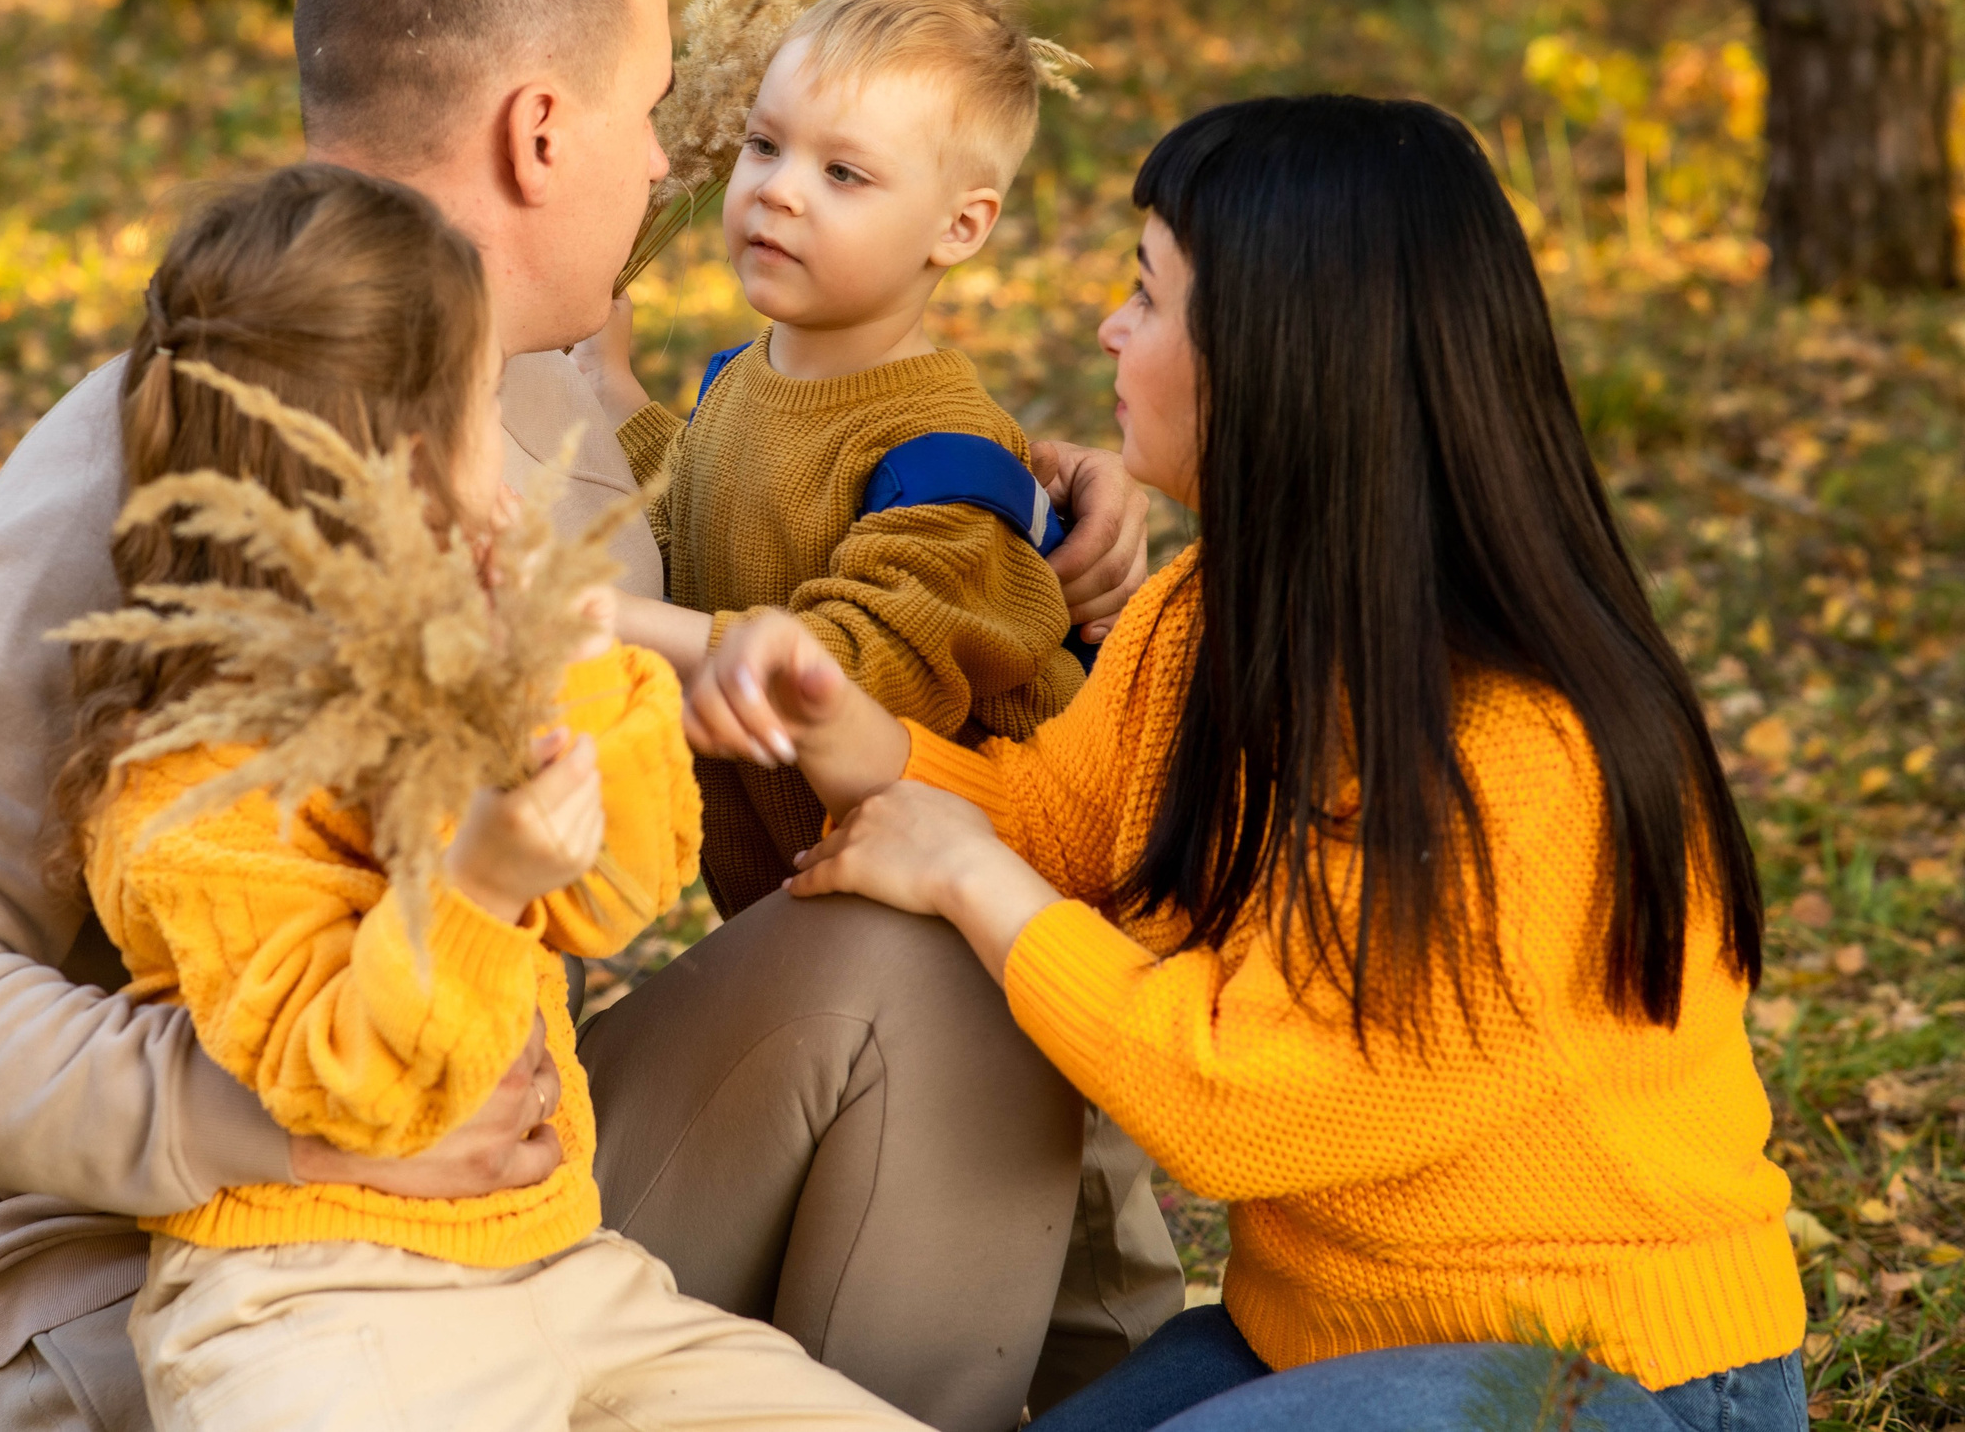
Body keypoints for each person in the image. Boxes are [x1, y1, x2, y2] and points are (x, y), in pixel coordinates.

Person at [0, 0, 1174, 1432]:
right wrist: (295, 1121)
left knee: (936, 928)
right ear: (542, 131)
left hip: (523, 1216)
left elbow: (759, 495)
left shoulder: (553, 400)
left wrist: (1018, 495)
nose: (666, 171)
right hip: (215, 1290)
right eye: (652, 119)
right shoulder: (174, 451)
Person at [688, 96, 1809, 1431]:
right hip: (1319, 1340)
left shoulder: (1514, 747)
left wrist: (974, 881)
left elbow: (1239, 1100)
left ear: (1283, 359)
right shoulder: (1205, 615)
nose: (1110, 328)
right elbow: (1053, 818)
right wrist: (831, 720)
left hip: (1611, 1375)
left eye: (1150, 298)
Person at [65, 165, 931, 1431]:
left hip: (565, 1270)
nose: (519, 448)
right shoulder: (198, 775)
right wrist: (474, 886)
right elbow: (351, 1087)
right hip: (312, 1302)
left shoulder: (472, 658)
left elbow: (613, 895)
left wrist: (570, 667)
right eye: (487, 406)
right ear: (393, 462)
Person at [594, 0, 1089, 919]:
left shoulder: (944, 458)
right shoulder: (745, 378)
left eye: (844, 172)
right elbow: (693, 531)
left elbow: (848, 678)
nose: (779, 191)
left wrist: (589, 620)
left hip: (971, 929)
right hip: (817, 907)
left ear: (959, 227)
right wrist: (612, 393)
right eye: (765, 145)